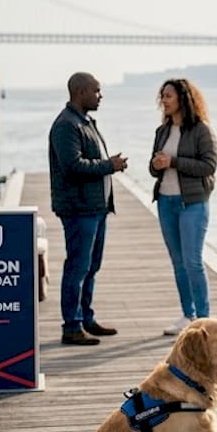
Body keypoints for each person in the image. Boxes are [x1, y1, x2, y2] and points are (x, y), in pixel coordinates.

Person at [48, 72, 128, 346]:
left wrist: (109, 165)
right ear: (81, 92)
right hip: (79, 209)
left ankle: (86, 318)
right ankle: (71, 326)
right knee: (78, 266)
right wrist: (110, 165)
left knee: (91, 266)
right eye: (97, 91)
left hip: (95, 208)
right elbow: (72, 167)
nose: (100, 96)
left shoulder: (85, 122)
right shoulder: (66, 125)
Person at [149, 78, 217, 336]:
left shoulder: (202, 130)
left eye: (168, 96)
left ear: (183, 99)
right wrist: (156, 165)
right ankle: (187, 316)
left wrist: (174, 162)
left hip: (194, 203)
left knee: (192, 262)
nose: (163, 101)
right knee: (178, 262)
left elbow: (208, 166)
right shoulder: (162, 131)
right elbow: (154, 167)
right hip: (166, 202)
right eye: (162, 96)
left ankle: (204, 319)